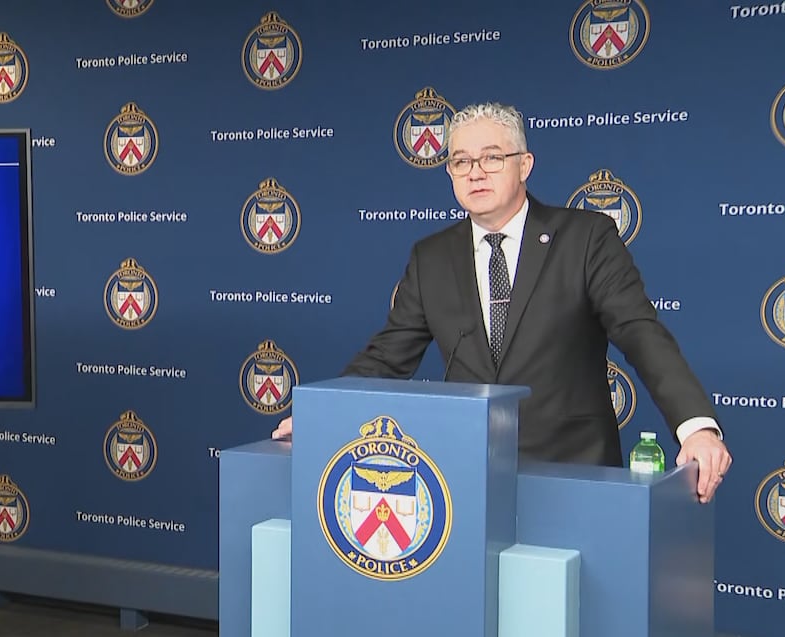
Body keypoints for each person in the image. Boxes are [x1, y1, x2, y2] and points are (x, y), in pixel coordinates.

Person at [271, 102, 731, 503]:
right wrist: (321, 416)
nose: (475, 171)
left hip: (573, 471)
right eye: (460, 160)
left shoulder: (586, 238)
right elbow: (388, 356)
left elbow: (639, 330)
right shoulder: (430, 256)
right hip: (464, 474)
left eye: (492, 157)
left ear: (524, 164)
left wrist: (696, 427)